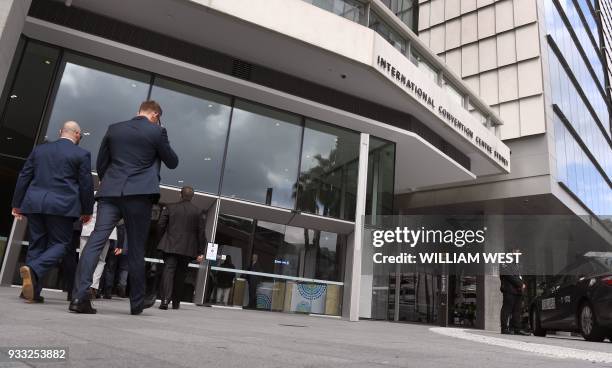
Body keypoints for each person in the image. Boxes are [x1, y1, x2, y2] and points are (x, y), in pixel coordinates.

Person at [70, 101, 178, 315]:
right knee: (136, 248)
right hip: (139, 195)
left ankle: (78, 297)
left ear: (139, 111)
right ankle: (136, 302)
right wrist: (163, 133)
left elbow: (102, 163)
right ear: (155, 114)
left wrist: (109, 183)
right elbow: (172, 161)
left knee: (95, 240)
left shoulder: (114, 128)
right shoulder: (157, 131)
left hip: (110, 192)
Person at [11, 121, 94, 303]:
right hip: (62, 207)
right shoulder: (82, 154)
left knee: (37, 244)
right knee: (61, 244)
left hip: (35, 203)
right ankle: (33, 269)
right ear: (78, 135)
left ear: (60, 132)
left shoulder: (40, 150)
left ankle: (31, 292)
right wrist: (87, 210)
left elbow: (24, 175)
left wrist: (17, 203)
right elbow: (86, 185)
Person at [157, 186, 206, 310]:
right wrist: (201, 251)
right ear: (192, 197)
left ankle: (165, 300)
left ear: (180, 194)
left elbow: (160, 225)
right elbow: (201, 233)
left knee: (168, 272)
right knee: (181, 274)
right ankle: (176, 302)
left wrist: (161, 241)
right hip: (187, 249)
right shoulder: (198, 211)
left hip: (170, 245)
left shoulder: (170, 207)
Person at [79, 200, 117, 298]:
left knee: (83, 257)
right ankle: (92, 286)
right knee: (100, 260)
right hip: (104, 232)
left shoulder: (93, 194)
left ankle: (81, 285)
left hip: (88, 228)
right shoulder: (116, 197)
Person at [499, 247, 529, 335]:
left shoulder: (518, 262)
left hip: (518, 291)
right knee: (507, 309)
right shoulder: (505, 261)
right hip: (509, 289)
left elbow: (521, 275)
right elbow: (509, 275)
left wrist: (522, 284)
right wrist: (520, 284)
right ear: (512, 251)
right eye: (517, 251)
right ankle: (504, 328)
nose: (519, 253)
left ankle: (517, 329)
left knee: (517, 310)